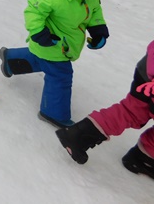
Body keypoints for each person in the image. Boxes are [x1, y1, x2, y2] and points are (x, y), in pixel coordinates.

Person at [0, 0, 116, 128]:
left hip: (62, 44)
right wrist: (38, 32)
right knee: (60, 76)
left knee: (40, 60)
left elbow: (94, 11)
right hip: (52, 43)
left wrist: (98, 29)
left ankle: (11, 60)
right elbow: (33, 12)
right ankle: (52, 112)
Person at [56, 40, 154, 180]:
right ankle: (145, 156)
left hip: (148, 69)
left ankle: (78, 135)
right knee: (132, 111)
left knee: (132, 111)